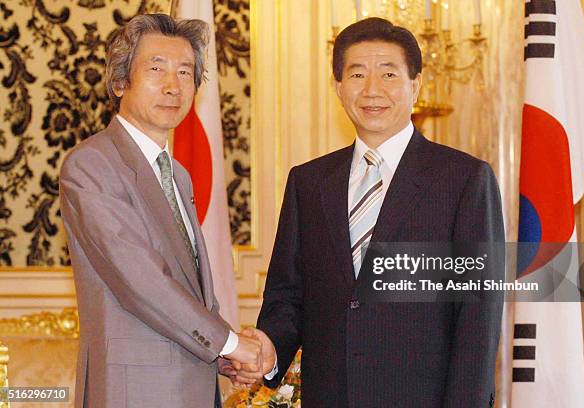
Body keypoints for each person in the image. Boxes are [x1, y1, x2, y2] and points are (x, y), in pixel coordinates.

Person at [234, 18, 505, 407]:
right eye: (358, 74)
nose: (372, 89)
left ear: (415, 85)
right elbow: (287, 296)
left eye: (389, 74)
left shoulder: (464, 180)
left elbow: (477, 316)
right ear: (339, 87)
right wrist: (269, 348)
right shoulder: (308, 182)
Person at [59, 14, 262, 408]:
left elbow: (189, 291)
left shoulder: (178, 175)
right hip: (133, 393)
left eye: (185, 72)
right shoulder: (91, 165)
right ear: (120, 81)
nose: (173, 85)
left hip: (194, 388)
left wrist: (220, 354)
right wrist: (232, 343)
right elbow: (141, 282)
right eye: (157, 69)